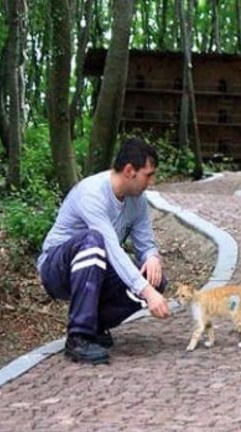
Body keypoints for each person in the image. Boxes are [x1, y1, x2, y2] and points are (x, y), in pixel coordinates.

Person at [37, 137, 171, 365]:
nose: (152, 182)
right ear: (130, 171)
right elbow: (110, 247)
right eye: (148, 175)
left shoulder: (137, 202)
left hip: (97, 266)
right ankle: (78, 336)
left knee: (154, 279)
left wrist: (152, 258)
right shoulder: (92, 193)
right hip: (57, 267)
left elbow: (145, 244)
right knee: (94, 240)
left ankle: (95, 325)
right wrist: (147, 293)